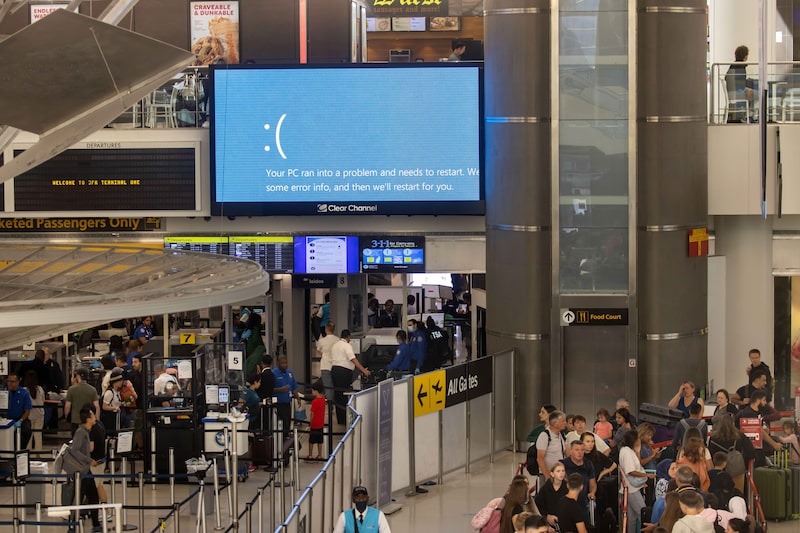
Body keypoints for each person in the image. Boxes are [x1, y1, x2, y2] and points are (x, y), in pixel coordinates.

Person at [65, 406, 102, 532]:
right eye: (92, 415)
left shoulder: (86, 431)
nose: (94, 417)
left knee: (93, 496)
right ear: (87, 418)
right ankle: (72, 526)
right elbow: (74, 450)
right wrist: (89, 460)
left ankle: (96, 524)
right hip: (81, 472)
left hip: (86, 471)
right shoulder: (81, 432)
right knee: (78, 498)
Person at [330, 330, 371, 424]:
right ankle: (345, 419)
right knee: (344, 395)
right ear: (348, 337)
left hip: (334, 370)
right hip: (343, 372)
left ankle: (340, 419)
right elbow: (353, 359)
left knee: (338, 395)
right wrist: (363, 370)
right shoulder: (347, 345)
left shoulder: (335, 345)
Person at [708, 412, 755, 492]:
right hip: (736, 470)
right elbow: (751, 452)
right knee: (737, 492)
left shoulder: (713, 438)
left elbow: (710, 454)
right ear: (733, 423)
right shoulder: (739, 436)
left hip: (718, 470)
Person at [619, 430, 654, 533]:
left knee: (632, 518)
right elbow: (631, 471)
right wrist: (647, 475)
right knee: (642, 512)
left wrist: (638, 451)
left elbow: (637, 464)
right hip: (631, 489)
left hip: (632, 488)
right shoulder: (625, 452)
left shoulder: (630, 451)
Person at [561, 439, 597, 516]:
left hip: (583, 501)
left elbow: (592, 483)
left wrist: (592, 493)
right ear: (570, 451)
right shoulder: (563, 464)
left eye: (582, 450)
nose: (580, 452)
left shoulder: (588, 464)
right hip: (566, 501)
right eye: (577, 450)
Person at [64, 368, 100, 433]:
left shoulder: (71, 389)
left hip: (75, 420)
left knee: (76, 440)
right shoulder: (92, 390)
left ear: (78, 376)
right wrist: (96, 419)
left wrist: (67, 417)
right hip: (88, 420)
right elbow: (96, 406)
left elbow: (67, 406)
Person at [272, 355, 300, 439]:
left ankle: (286, 436)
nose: (284, 365)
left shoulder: (290, 373)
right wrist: (281, 389)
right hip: (278, 403)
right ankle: (282, 438)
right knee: (282, 422)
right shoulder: (274, 373)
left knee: (288, 420)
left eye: (285, 363)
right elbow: (271, 389)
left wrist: (298, 398)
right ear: (278, 363)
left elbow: (294, 387)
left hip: (288, 402)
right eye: (282, 363)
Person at [534, 461, 568, 529]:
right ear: (552, 474)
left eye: (563, 471)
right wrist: (547, 516)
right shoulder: (545, 488)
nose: (561, 473)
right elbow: (537, 505)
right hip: (547, 523)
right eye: (558, 471)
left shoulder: (568, 488)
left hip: (565, 522)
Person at [725, 45, 754, 123]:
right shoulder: (741, 67)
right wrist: (746, 89)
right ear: (745, 56)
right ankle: (749, 116)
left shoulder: (733, 65)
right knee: (756, 94)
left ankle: (747, 115)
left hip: (731, 92)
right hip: (736, 93)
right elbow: (739, 84)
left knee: (752, 93)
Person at [536, 410, 567, 479]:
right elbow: (540, 458)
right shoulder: (544, 436)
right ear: (555, 423)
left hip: (560, 475)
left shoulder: (562, 435)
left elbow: (567, 453)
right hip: (547, 475)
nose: (565, 423)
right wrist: (547, 477)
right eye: (563, 421)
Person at [6, 374, 32, 448]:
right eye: (8, 381)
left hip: (20, 418)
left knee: (26, 430)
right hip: (7, 418)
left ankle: (21, 449)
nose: (10, 383)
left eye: (12, 381)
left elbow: (27, 410)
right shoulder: (4, 392)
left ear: (17, 382)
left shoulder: (24, 393)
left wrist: (20, 420)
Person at [316, 322, 339, 402]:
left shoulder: (322, 341)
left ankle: (330, 405)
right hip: (335, 365)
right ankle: (336, 403)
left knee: (327, 386)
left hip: (325, 365)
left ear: (326, 329)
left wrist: (325, 354)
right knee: (335, 386)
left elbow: (319, 351)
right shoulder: (337, 340)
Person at [22, 371, 45, 450]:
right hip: (39, 414)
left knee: (29, 435)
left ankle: (27, 452)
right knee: (38, 434)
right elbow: (43, 400)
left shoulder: (24, 390)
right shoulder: (40, 389)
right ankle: (38, 453)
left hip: (29, 415)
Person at [308, 380, 326, 461]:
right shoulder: (323, 399)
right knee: (320, 441)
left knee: (311, 441)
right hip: (321, 423)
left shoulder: (314, 401)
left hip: (314, 424)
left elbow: (312, 413)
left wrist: (310, 423)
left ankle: (310, 455)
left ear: (315, 391)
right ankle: (319, 455)